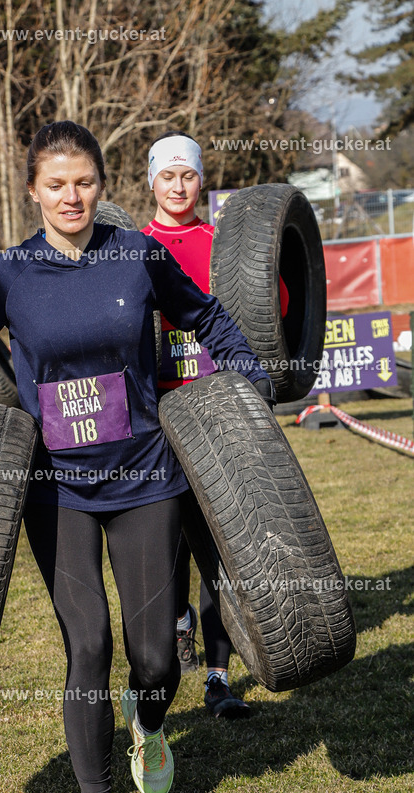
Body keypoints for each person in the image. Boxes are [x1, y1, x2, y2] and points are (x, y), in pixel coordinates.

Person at [0, 121, 272, 793]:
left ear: (101, 185)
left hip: (145, 476)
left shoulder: (137, 254)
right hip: (57, 489)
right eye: (56, 184)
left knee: (155, 659)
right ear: (33, 190)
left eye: (83, 182)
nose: (71, 196)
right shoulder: (9, 273)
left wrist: (246, 368)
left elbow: (205, 314)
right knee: (89, 645)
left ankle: (148, 722)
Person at [143, 132, 286, 717]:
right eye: (167, 176)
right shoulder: (133, 247)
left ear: (201, 180)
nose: (178, 187)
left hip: (217, 407)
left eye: (188, 176)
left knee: (220, 545)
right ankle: (178, 624)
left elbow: (269, 303)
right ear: (152, 181)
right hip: (157, 415)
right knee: (168, 544)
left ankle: (218, 680)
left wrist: (270, 281)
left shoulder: (221, 246)